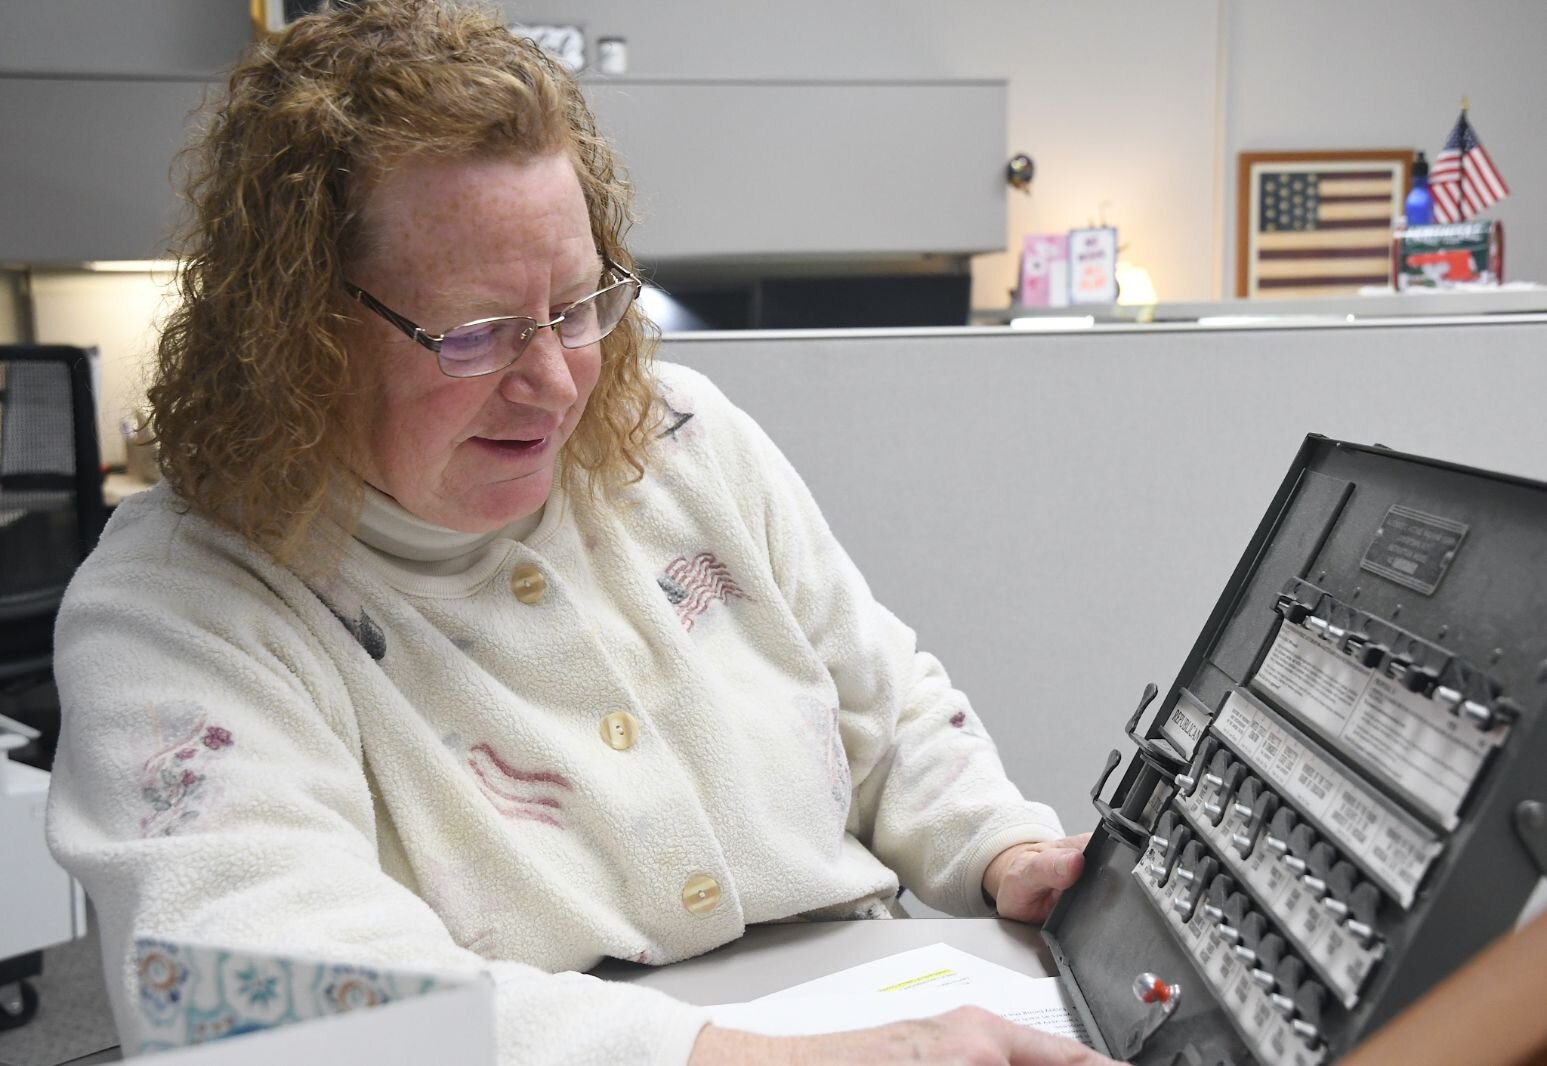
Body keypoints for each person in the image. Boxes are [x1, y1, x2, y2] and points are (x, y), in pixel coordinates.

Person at [45, 2, 1111, 1064]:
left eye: (574, 307)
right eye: (476, 334)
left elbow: (884, 706)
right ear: (301, 336)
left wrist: (1000, 845)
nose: (552, 382)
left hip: (869, 996)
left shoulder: (682, 441)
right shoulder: (183, 605)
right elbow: (268, 999)